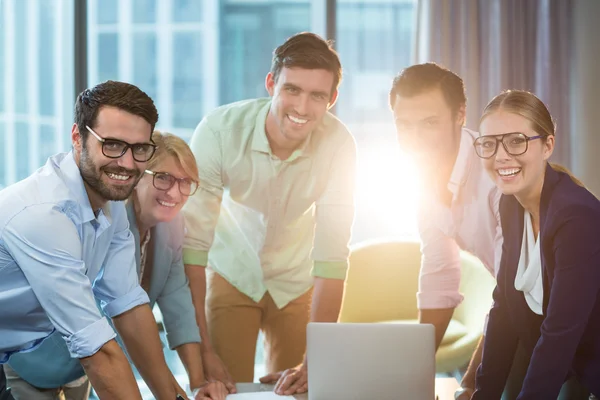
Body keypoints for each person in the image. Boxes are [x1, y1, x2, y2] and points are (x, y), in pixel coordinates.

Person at [182, 32, 356, 396]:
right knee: (223, 389)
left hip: (297, 279)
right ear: (271, 83)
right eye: (292, 89)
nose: (302, 107)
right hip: (232, 272)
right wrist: (203, 350)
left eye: (317, 96)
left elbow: (332, 257)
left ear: (332, 99)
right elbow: (193, 249)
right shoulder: (218, 131)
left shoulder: (339, 146)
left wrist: (316, 358)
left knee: (298, 390)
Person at [4, 132, 228, 400]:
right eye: (164, 177)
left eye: (185, 182)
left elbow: (177, 303)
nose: (175, 192)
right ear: (138, 174)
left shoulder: (173, 226)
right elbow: (122, 323)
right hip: (38, 360)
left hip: (83, 368)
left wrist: (198, 383)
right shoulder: (110, 218)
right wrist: (173, 394)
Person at [0, 81, 189, 399]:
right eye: (112, 145)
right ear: (78, 137)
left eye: (139, 149)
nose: (127, 164)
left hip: (32, 350)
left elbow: (127, 303)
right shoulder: (44, 215)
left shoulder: (111, 202)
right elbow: (97, 350)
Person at [472, 90, 600, 399]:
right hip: (568, 365)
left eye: (516, 140)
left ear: (547, 146)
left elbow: (561, 331)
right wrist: (480, 395)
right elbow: (503, 307)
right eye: (489, 143)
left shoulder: (576, 216)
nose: (501, 155)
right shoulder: (509, 204)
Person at [389, 63, 503, 399]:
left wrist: (471, 382)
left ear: (460, 115)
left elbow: (515, 294)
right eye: (404, 125)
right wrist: (413, 373)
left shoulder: (498, 176)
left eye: (430, 123)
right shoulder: (423, 181)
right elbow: (440, 278)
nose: (415, 139)